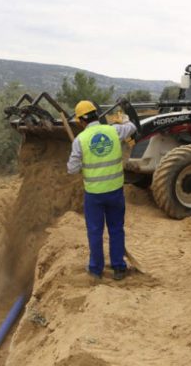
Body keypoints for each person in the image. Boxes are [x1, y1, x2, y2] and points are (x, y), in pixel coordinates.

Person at [67, 100, 137, 280]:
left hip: (94, 195)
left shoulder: (80, 140)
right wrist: (124, 118)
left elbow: (72, 169)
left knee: (95, 232)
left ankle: (96, 270)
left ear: (81, 121)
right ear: (96, 115)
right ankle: (119, 268)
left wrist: (84, 162)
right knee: (116, 229)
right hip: (115, 192)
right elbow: (131, 127)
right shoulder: (114, 131)